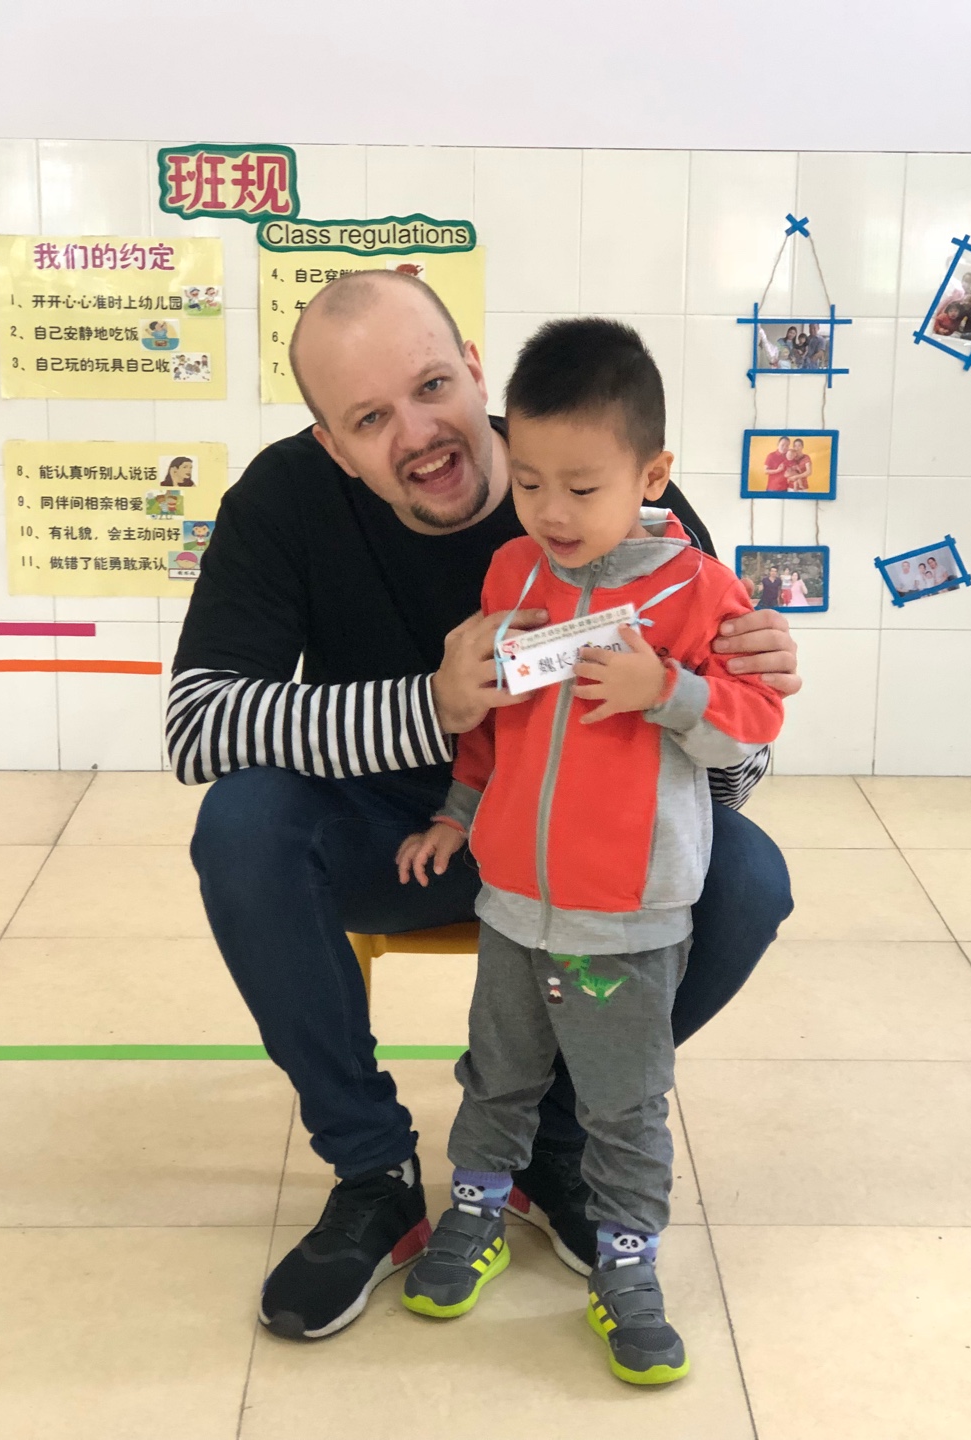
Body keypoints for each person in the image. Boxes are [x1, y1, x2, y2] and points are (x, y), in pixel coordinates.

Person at [169, 270, 800, 1344]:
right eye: (370, 419)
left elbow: (728, 777)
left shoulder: (598, 467)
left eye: (430, 387)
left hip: (585, 855)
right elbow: (199, 727)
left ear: (474, 369)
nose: (418, 436)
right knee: (242, 823)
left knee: (747, 874)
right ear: (332, 444)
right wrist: (431, 705)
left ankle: (553, 1139)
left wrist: (728, 696)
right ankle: (373, 1174)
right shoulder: (284, 498)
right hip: (402, 844)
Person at [393, 319, 784, 1384]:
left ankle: (628, 1266)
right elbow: (489, 722)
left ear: (652, 475)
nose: (551, 513)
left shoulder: (699, 592)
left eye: (581, 486)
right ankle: (476, 1212)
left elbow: (753, 722)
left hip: (627, 917)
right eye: (528, 483)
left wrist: (670, 691)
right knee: (496, 1074)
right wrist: (457, 815)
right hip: (512, 904)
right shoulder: (512, 571)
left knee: (622, 1103)